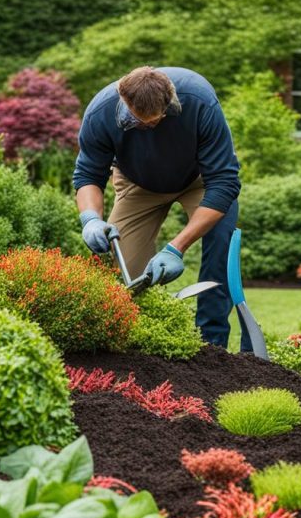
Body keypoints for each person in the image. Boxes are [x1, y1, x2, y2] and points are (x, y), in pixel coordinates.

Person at [72, 66, 252, 351]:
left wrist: (175, 248)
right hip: (138, 183)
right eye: (140, 123)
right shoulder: (100, 113)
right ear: (122, 97)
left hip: (200, 181)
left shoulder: (199, 100)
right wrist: (90, 219)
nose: (149, 127)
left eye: (156, 122)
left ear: (170, 100)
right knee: (125, 276)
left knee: (221, 243)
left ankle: (212, 346)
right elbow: (88, 176)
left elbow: (225, 182)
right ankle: (138, 348)